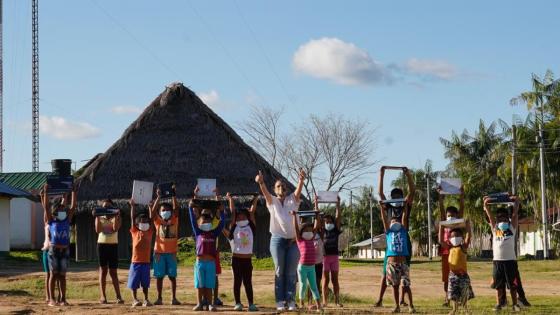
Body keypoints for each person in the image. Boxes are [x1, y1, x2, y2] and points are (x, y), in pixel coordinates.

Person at [255, 169, 306, 311]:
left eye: (283, 186)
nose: (281, 188)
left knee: (291, 272)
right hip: (277, 241)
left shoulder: (293, 200)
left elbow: (298, 190)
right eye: (278, 186)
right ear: (274, 189)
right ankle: (280, 301)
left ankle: (290, 301)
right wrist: (261, 182)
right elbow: (265, 193)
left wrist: (301, 180)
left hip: (293, 241)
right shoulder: (272, 201)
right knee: (279, 271)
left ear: (287, 189)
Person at [376, 166, 415, 309]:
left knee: (405, 274)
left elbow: (412, 191)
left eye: (399, 196)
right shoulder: (388, 207)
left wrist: (408, 174)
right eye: (395, 196)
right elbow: (380, 193)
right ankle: (380, 299)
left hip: (405, 241)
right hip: (391, 242)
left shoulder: (406, 206)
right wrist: (381, 173)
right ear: (392, 198)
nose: (397, 198)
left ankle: (404, 301)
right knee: (387, 271)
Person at [483, 195, 521, 312]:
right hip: (498, 261)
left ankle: (515, 304)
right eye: (499, 217)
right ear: (497, 219)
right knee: (499, 285)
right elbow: (489, 216)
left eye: (504, 217)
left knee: (513, 285)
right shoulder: (495, 228)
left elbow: (515, 214)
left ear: (508, 218)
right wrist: (485, 205)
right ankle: (500, 303)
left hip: (510, 261)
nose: (502, 219)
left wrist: (516, 201)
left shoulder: (512, 227)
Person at [189, 192, 225, 312]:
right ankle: (199, 304)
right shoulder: (198, 232)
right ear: (200, 222)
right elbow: (192, 221)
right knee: (199, 285)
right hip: (200, 263)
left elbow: (222, 224)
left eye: (208, 221)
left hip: (210, 263)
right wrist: (190, 207)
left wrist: (223, 212)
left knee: (209, 285)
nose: (206, 223)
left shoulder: (214, 233)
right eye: (203, 221)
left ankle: (210, 304)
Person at [42, 184, 76, 307]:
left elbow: (72, 207)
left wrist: (74, 192)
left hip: (65, 250)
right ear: (55, 210)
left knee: (62, 276)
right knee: (53, 274)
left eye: (63, 209)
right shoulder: (51, 221)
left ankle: (63, 299)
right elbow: (46, 207)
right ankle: (52, 299)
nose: (63, 210)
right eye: (60, 209)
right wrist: (45, 193)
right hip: (54, 250)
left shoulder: (67, 220)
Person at [223, 193, 259, 312]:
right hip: (236, 259)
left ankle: (251, 304)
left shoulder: (251, 227)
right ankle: (237, 303)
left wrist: (255, 199)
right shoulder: (235, 227)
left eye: (243, 217)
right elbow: (233, 212)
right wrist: (230, 199)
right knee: (237, 281)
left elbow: (252, 212)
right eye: (239, 217)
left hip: (247, 259)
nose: (241, 219)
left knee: (248, 282)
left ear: (247, 218)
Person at [150, 186, 181, 306]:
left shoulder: (175, 219)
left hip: (172, 253)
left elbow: (177, 209)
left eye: (167, 210)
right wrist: (158, 198)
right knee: (159, 277)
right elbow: (152, 213)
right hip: (159, 253)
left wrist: (173, 195)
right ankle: (159, 298)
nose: (165, 211)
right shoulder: (158, 221)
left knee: (172, 277)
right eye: (163, 210)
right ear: (160, 212)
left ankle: (174, 298)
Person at [439, 221, 474, 315]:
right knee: (453, 294)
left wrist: (467, 225)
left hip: (463, 275)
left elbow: (468, 236)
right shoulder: (449, 248)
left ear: (461, 237)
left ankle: (466, 309)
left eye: (457, 235)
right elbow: (441, 241)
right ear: (449, 238)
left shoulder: (463, 247)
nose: (455, 238)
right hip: (452, 275)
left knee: (464, 293)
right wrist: (441, 227)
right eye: (453, 236)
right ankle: (454, 310)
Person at [437, 186, 464, 307]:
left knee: (458, 275)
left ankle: (458, 297)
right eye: (449, 215)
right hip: (445, 253)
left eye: (453, 214)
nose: (450, 217)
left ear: (457, 215)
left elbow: (462, 207)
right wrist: (440, 196)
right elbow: (441, 210)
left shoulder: (458, 223)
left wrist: (462, 195)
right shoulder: (444, 222)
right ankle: (447, 298)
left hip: (457, 253)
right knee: (446, 277)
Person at [291, 211, 322, 311]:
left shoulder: (312, 238)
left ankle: (319, 306)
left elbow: (316, 227)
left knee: (314, 286)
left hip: (311, 267)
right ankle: (301, 304)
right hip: (302, 267)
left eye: (310, 229)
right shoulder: (300, 240)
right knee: (303, 285)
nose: (309, 231)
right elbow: (296, 228)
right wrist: (294, 216)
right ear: (301, 232)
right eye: (306, 230)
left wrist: (317, 216)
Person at [94, 199, 124, 304]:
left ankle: (118, 296)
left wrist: (116, 216)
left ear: (112, 207)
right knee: (103, 271)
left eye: (108, 206)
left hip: (113, 246)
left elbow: (115, 228)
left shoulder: (118, 217)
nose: (106, 208)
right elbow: (97, 230)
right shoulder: (100, 217)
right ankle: (103, 296)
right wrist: (97, 216)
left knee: (113, 272)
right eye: (104, 207)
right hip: (101, 245)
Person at [127, 198, 154, 307]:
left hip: (146, 262)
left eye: (146, 221)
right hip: (135, 262)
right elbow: (132, 219)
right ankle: (134, 299)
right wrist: (132, 207)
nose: (144, 223)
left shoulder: (149, 232)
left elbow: (152, 219)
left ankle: (146, 299)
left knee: (145, 283)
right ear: (138, 224)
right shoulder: (135, 231)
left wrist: (150, 207)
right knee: (134, 282)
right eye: (142, 222)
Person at [322, 195, 343, 307]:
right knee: (325, 280)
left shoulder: (335, 229)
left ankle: (337, 301)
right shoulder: (322, 230)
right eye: (326, 221)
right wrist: (316, 202)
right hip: (325, 257)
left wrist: (338, 204)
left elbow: (338, 216)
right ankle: (324, 302)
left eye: (330, 220)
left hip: (334, 257)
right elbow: (316, 218)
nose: (328, 222)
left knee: (335, 280)